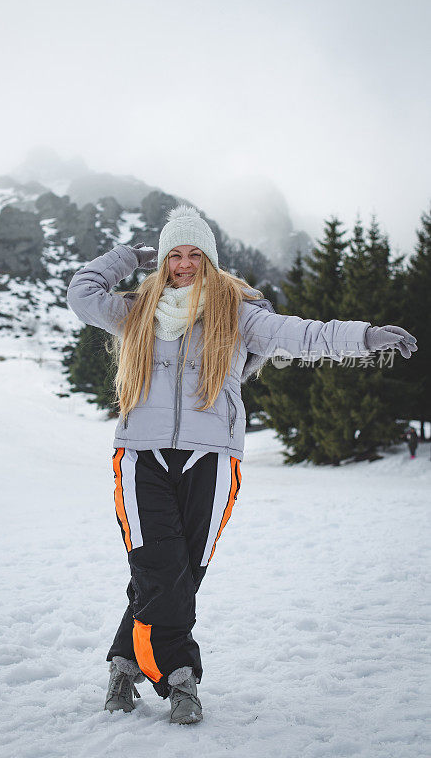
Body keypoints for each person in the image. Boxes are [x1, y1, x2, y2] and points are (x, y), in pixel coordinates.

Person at [66, 204, 418, 724]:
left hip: (213, 460)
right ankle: (180, 678)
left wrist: (363, 337)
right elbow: (81, 293)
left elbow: (303, 334)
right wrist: (127, 258)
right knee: (158, 567)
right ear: (162, 262)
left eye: (195, 254)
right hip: (141, 457)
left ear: (211, 260)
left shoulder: (238, 314)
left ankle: (123, 664)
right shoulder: (136, 309)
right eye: (174, 255)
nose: (184, 265)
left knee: (183, 573)